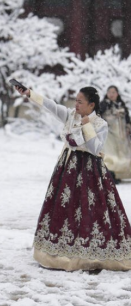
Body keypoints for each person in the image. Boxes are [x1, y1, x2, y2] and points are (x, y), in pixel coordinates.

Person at [16, 85, 131, 271]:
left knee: (91, 209)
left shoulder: (100, 124)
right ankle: (60, 251)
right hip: (68, 168)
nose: (76, 104)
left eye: (80, 101)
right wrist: (30, 94)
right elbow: (51, 106)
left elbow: (95, 148)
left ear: (91, 104)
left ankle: (93, 252)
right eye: (75, 100)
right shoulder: (71, 115)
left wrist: (87, 125)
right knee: (65, 207)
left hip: (91, 171)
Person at [99, 86, 131, 183]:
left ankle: (122, 174)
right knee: (111, 154)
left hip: (122, 134)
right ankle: (111, 175)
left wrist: (128, 127)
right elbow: (98, 117)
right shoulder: (103, 104)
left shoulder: (122, 105)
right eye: (109, 92)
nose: (111, 94)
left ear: (117, 93)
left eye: (113, 92)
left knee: (124, 155)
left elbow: (127, 118)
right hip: (109, 134)